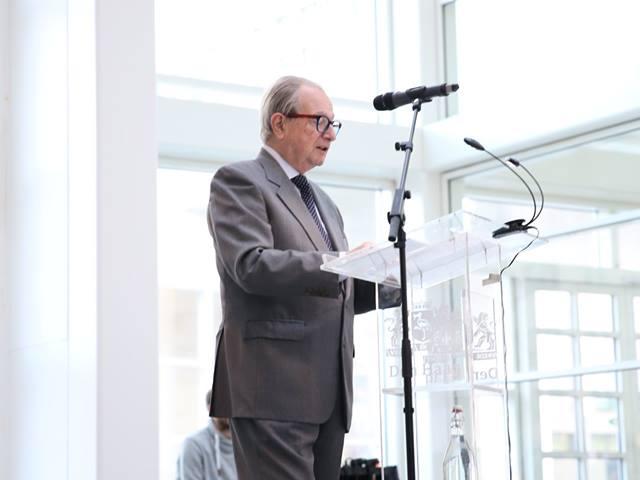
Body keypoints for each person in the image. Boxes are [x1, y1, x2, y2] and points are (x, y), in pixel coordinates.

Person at [206, 75, 387, 479]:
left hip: (329, 393)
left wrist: (387, 282)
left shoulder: (325, 204)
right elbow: (251, 265)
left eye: (333, 124)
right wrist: (339, 262)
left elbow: (334, 291)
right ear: (279, 123)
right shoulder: (239, 181)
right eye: (319, 121)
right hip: (273, 388)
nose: (330, 135)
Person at [176, 389, 237, 480]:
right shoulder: (194, 445)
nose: (230, 409)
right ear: (210, 408)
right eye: (224, 404)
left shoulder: (244, 446)